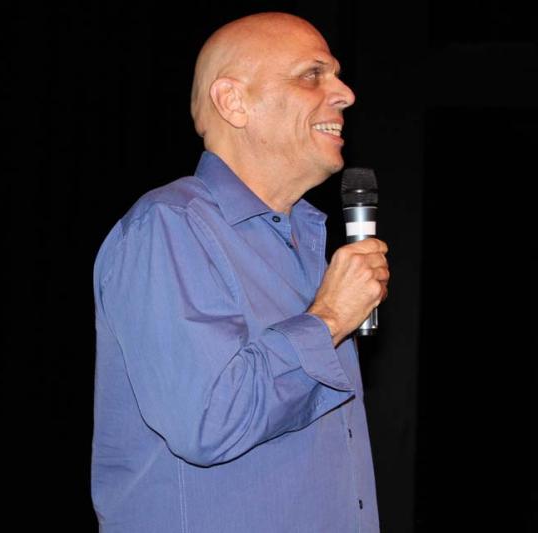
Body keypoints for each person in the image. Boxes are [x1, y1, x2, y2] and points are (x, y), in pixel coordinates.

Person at [92, 12, 389, 532]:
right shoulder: (170, 226)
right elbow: (209, 420)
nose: (345, 94)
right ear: (233, 102)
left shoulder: (306, 242)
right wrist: (328, 320)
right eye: (312, 75)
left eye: (337, 76)